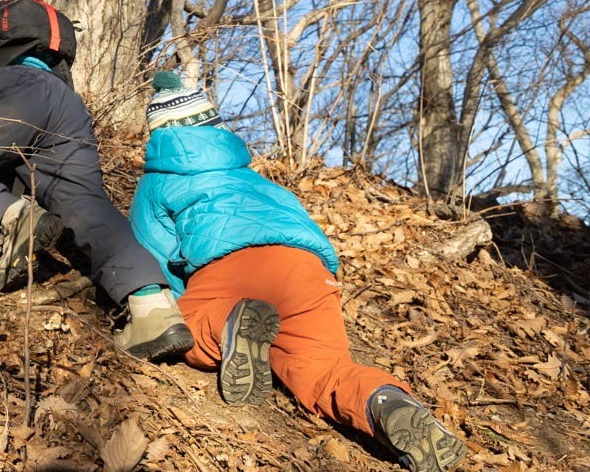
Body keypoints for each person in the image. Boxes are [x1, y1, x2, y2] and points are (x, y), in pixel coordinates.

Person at [129, 70, 466, 472]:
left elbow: (151, 259)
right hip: (310, 274)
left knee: (183, 323)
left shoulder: (156, 184)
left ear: (156, 137)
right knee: (324, 370)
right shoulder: (257, 179)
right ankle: (384, 399)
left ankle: (228, 323)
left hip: (232, 269)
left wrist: (184, 304)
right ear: (217, 128)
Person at [0, 0, 193, 361]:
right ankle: (153, 309)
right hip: (66, 103)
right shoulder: (50, 75)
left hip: (8, 92)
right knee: (88, 206)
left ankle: (17, 219)